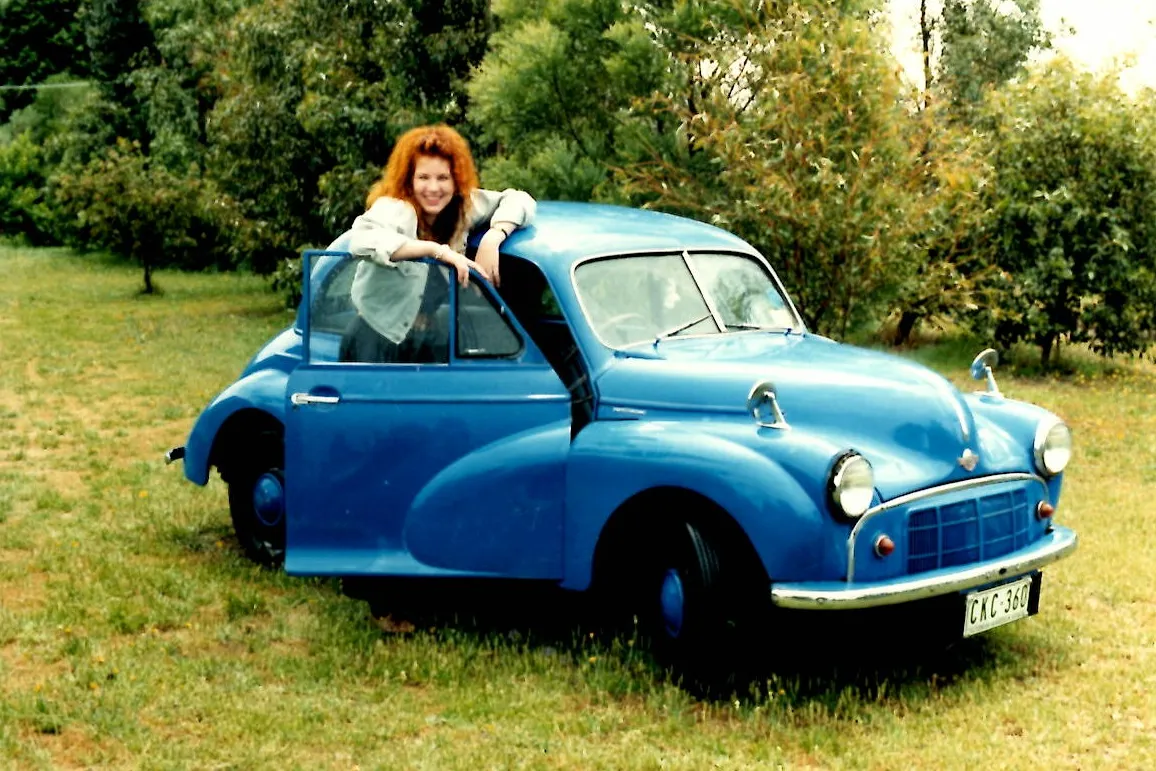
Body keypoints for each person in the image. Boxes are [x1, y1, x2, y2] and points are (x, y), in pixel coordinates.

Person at [339, 124, 536, 363]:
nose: (433, 188)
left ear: (456, 180)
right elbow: (361, 239)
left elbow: (519, 199)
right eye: (423, 177)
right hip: (376, 340)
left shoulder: (462, 209)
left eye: (443, 178)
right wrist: (437, 251)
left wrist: (493, 236)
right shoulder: (395, 209)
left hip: (427, 338)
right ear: (408, 179)